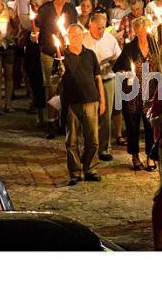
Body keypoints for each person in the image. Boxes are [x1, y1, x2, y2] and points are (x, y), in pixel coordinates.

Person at [60, 24, 105, 185]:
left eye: (77, 35)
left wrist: (102, 100)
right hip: (72, 102)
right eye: (71, 36)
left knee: (92, 138)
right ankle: (75, 170)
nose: (75, 38)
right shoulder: (61, 56)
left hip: (91, 101)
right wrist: (60, 73)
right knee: (71, 139)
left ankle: (90, 168)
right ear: (67, 37)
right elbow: (51, 81)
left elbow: (98, 78)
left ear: (82, 36)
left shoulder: (90, 55)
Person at [113, 17, 157, 170]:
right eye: (140, 32)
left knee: (151, 127)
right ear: (136, 32)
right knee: (132, 126)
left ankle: (151, 157)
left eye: (145, 31)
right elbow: (117, 68)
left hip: (150, 92)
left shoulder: (156, 47)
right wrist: (126, 74)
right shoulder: (130, 48)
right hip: (132, 93)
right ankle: (135, 156)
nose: (143, 34)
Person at [36, 0, 78, 138]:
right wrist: (34, 35)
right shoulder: (46, 9)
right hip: (48, 52)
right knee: (51, 87)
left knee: (64, 86)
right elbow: (37, 27)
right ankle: (51, 121)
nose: (63, 0)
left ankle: (63, 120)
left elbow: (73, 27)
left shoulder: (70, 9)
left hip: (65, 53)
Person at [83, 11, 122, 162]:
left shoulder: (110, 39)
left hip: (107, 80)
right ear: (90, 25)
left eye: (102, 28)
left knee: (106, 116)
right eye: (97, 28)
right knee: (89, 115)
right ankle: (90, 146)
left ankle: (105, 148)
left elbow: (118, 57)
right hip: (89, 81)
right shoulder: (84, 40)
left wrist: (111, 63)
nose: (100, 31)